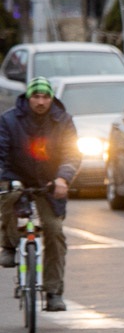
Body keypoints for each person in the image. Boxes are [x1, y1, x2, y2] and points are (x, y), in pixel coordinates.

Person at [0, 76, 80, 312]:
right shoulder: (9, 120)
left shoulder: (63, 121)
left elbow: (71, 153)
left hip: (50, 182)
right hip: (16, 178)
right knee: (7, 201)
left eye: (45, 96)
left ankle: (54, 292)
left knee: (54, 232)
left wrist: (63, 178)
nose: (41, 101)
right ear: (28, 98)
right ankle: (9, 245)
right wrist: (5, 177)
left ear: (52, 98)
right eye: (36, 96)